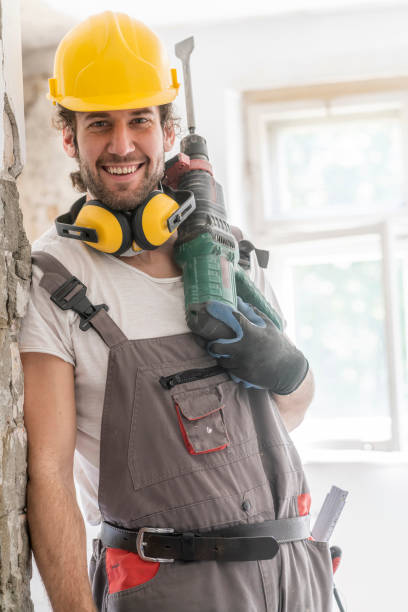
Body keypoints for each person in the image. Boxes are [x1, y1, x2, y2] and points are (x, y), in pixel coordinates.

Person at [19, 11, 333, 612]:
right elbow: (50, 477)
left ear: (168, 129)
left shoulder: (225, 251)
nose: (121, 144)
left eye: (140, 119)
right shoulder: (55, 278)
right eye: (98, 124)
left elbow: (284, 418)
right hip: (164, 589)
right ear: (69, 137)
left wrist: (289, 368)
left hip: (295, 577)